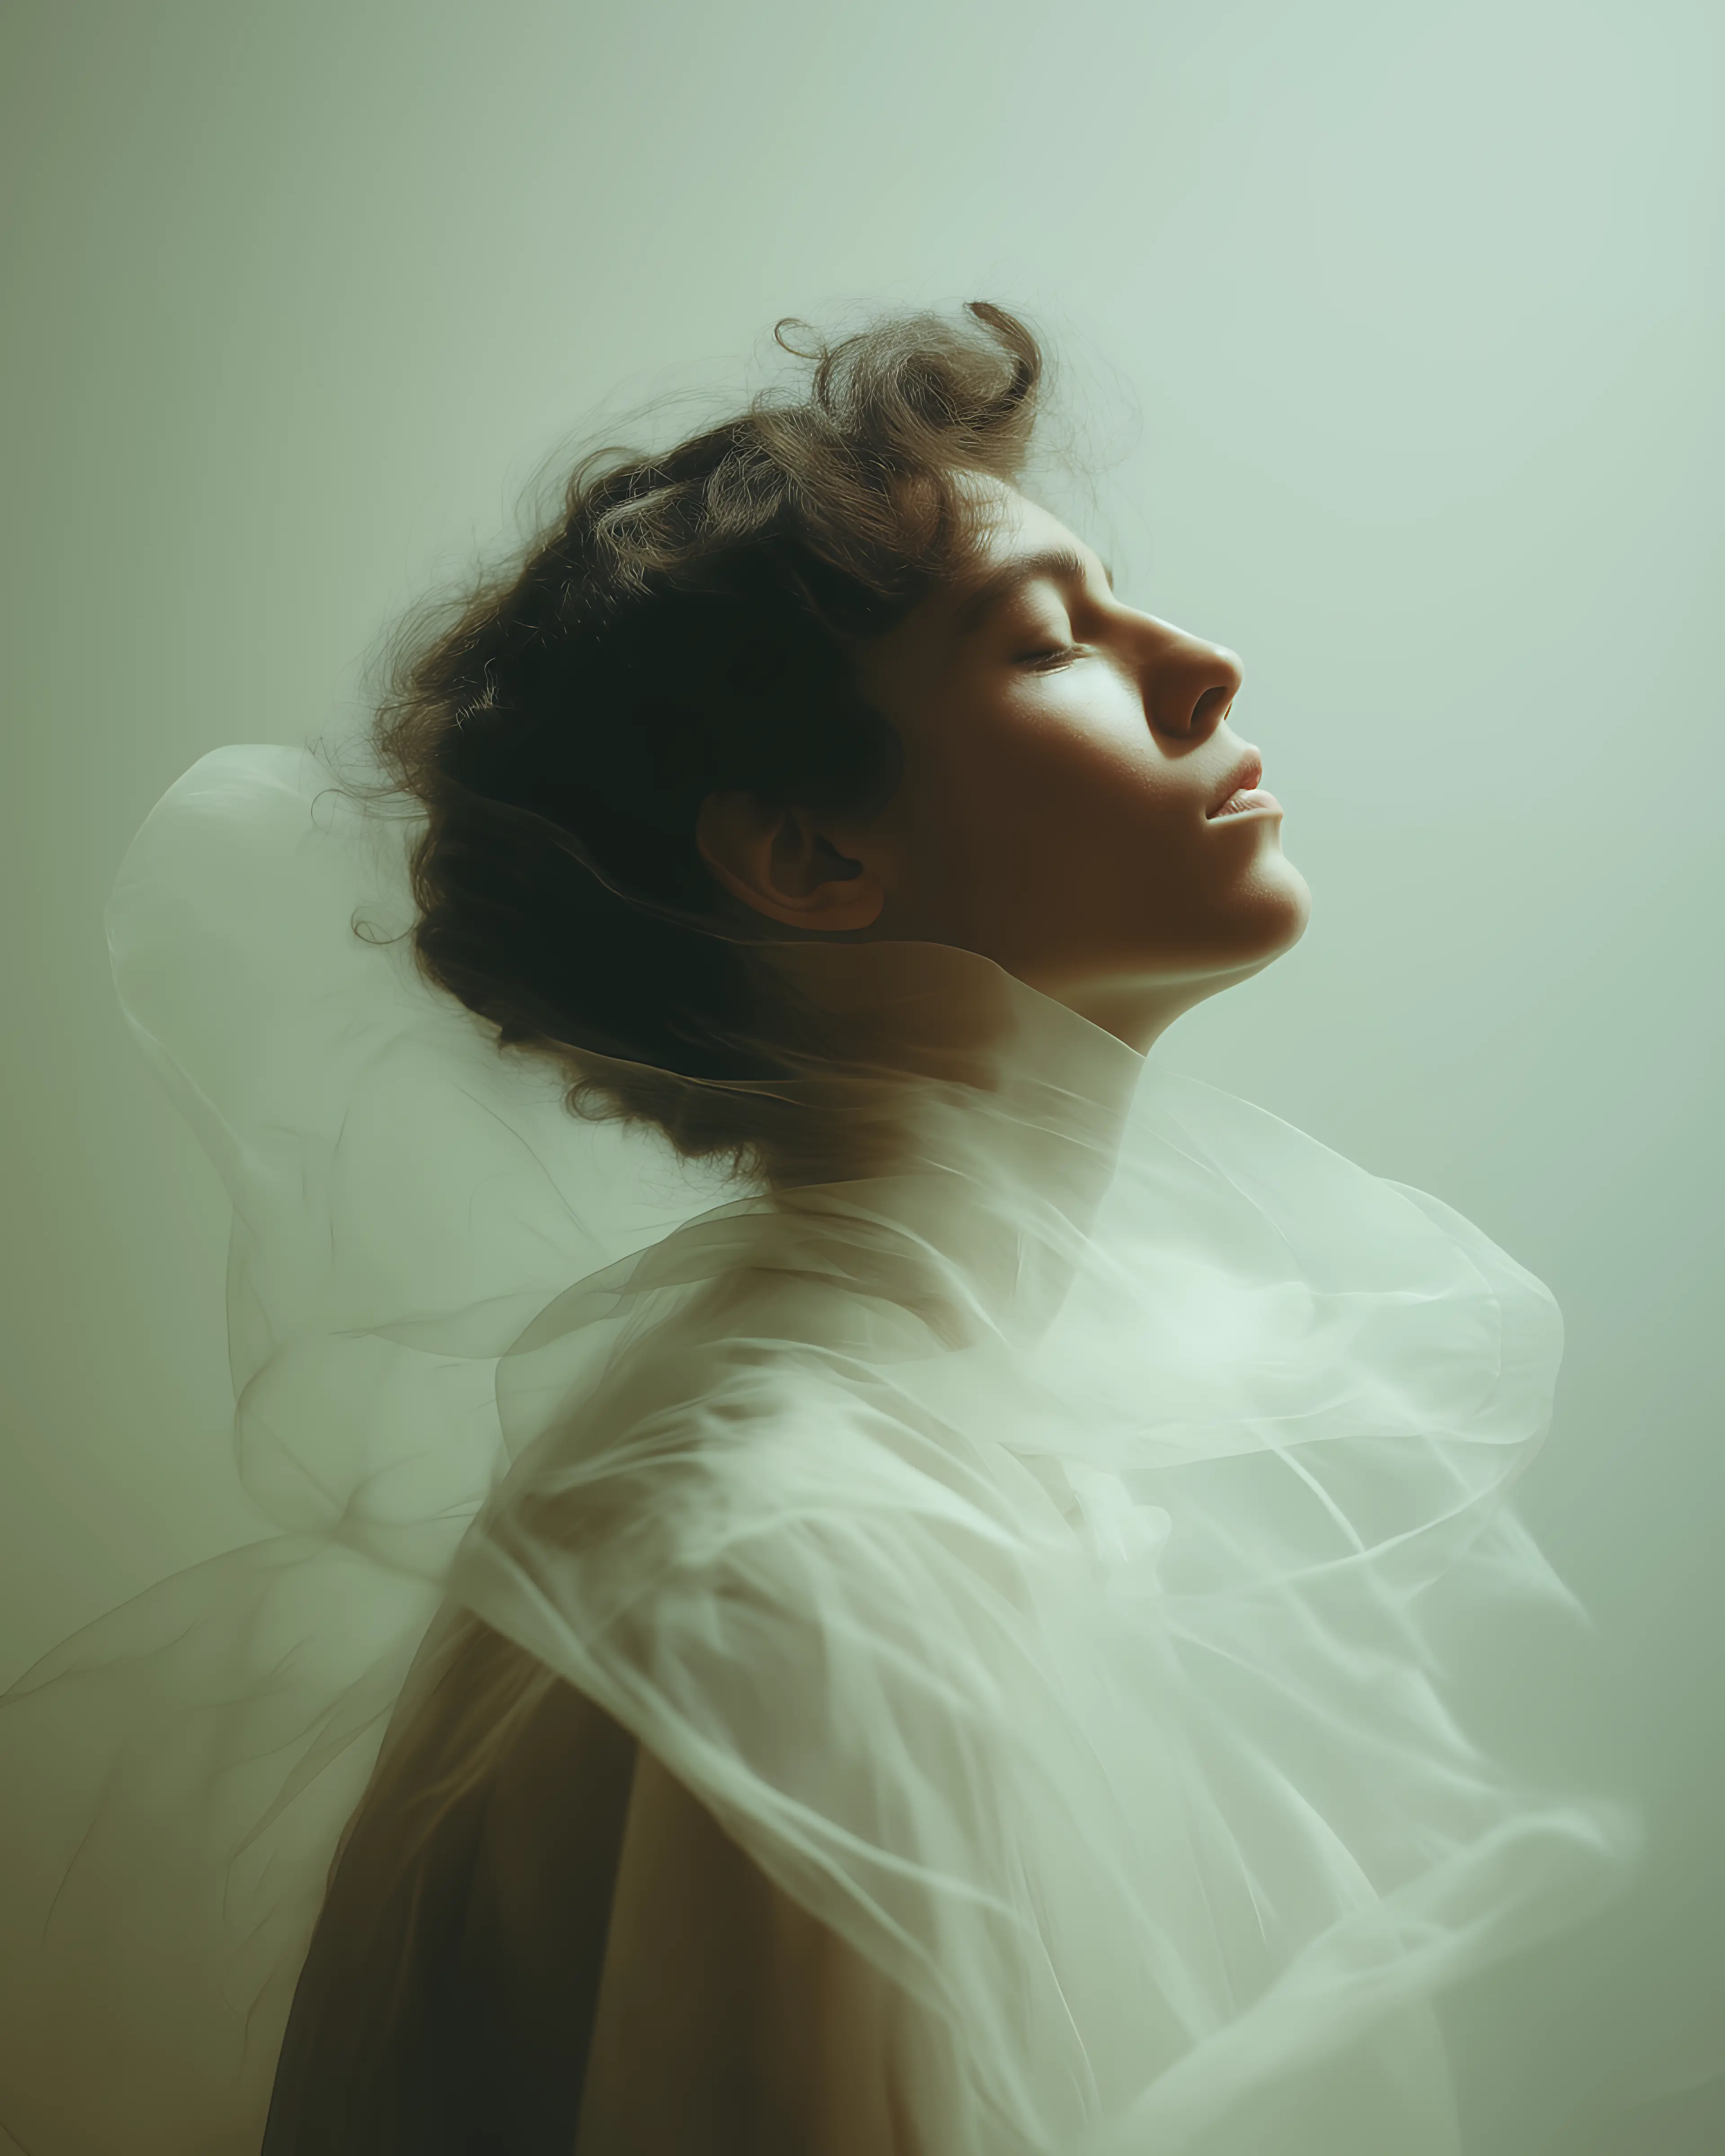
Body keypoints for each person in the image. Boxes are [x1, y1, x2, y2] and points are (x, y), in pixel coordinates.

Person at [0, 303, 1637, 2155]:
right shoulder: (794, 1560)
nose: (1204, 668)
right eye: (1049, 644)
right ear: (812, 856)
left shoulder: (897, 1448)